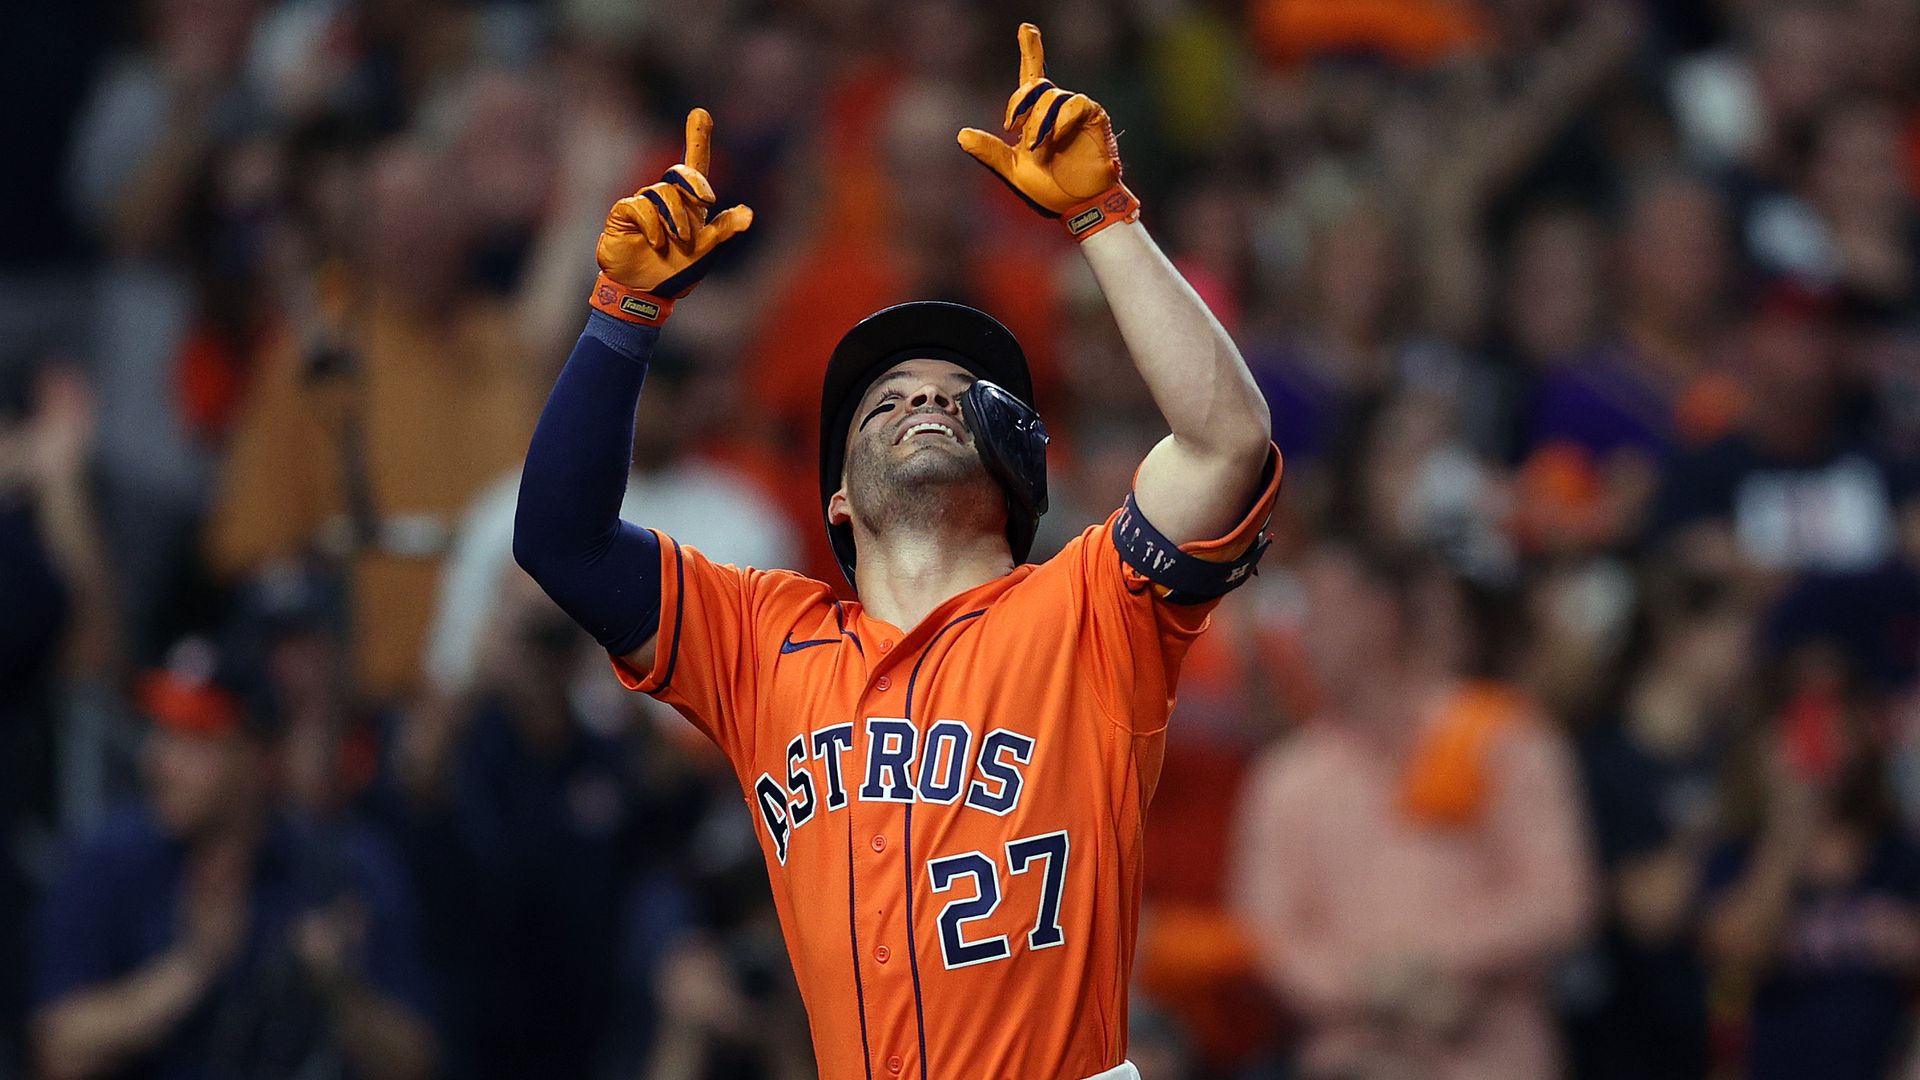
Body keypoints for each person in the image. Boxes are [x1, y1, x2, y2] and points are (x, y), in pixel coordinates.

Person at [512, 23, 1277, 1080]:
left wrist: (1103, 218)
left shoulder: (1092, 613)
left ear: (1017, 473)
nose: (922, 395)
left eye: (959, 398)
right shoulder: (761, 642)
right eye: (887, 396)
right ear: (834, 497)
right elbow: (559, 539)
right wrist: (622, 314)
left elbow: (1226, 439)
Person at [1230, 549, 1595, 1080]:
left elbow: (1561, 899)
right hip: (1350, 1061)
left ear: (1381, 614)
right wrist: (1374, 988)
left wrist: (1436, 963)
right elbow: (1269, 939)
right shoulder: (1286, 778)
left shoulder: (1498, 735)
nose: (1300, 632)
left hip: (1492, 1055)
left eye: (1319, 610)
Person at [29, 649, 437, 1080]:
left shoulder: (341, 867)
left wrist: (339, 993)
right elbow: (58, 1052)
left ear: (258, 756)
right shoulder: (107, 860)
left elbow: (415, 1064)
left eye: (194, 737)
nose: (160, 760)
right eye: (161, 732)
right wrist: (193, 968)